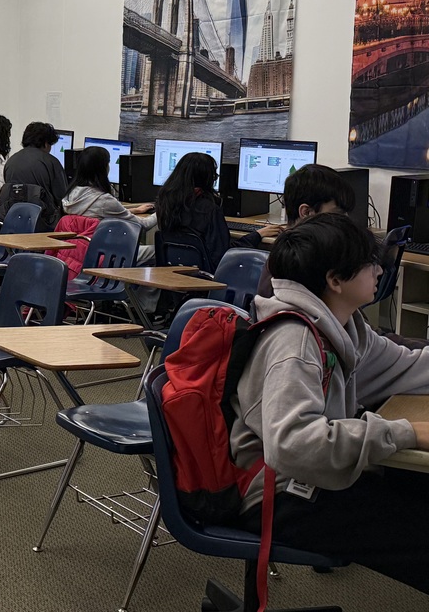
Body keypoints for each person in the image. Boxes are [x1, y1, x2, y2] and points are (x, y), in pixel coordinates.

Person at [230, 212, 429, 596]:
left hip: (310, 473)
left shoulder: (346, 326)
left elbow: (409, 366)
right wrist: (408, 433)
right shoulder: (296, 342)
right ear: (335, 280)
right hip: (276, 491)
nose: (379, 268)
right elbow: (292, 445)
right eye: (369, 263)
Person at [155, 151, 280, 272]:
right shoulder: (209, 209)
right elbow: (224, 254)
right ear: (209, 179)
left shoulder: (165, 203)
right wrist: (257, 235)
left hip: (174, 273)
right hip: (208, 277)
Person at [255, 163, 356, 298]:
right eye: (338, 213)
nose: (345, 220)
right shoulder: (297, 263)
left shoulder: (293, 252)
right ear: (307, 212)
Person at [63, 146, 157, 263]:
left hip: (78, 253)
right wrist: (163, 209)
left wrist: (135, 210)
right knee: (157, 250)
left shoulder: (72, 193)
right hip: (105, 255)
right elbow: (144, 225)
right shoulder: (104, 200)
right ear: (103, 168)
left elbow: (97, 213)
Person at [1, 121, 67, 228]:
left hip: (13, 221)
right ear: (46, 143)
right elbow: (62, 198)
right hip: (43, 223)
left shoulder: (11, 161)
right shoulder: (51, 162)